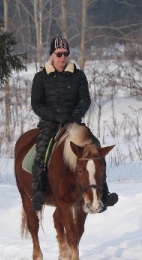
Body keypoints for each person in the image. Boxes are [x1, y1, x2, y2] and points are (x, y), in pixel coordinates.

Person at [30, 34, 118, 212]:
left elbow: (85, 99)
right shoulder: (40, 77)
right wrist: (55, 117)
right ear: (52, 55)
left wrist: (75, 115)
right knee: (41, 150)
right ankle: (38, 191)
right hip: (50, 123)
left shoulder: (78, 76)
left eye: (65, 54)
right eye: (59, 54)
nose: (63, 57)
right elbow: (36, 104)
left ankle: (105, 192)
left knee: (97, 149)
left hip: (74, 123)